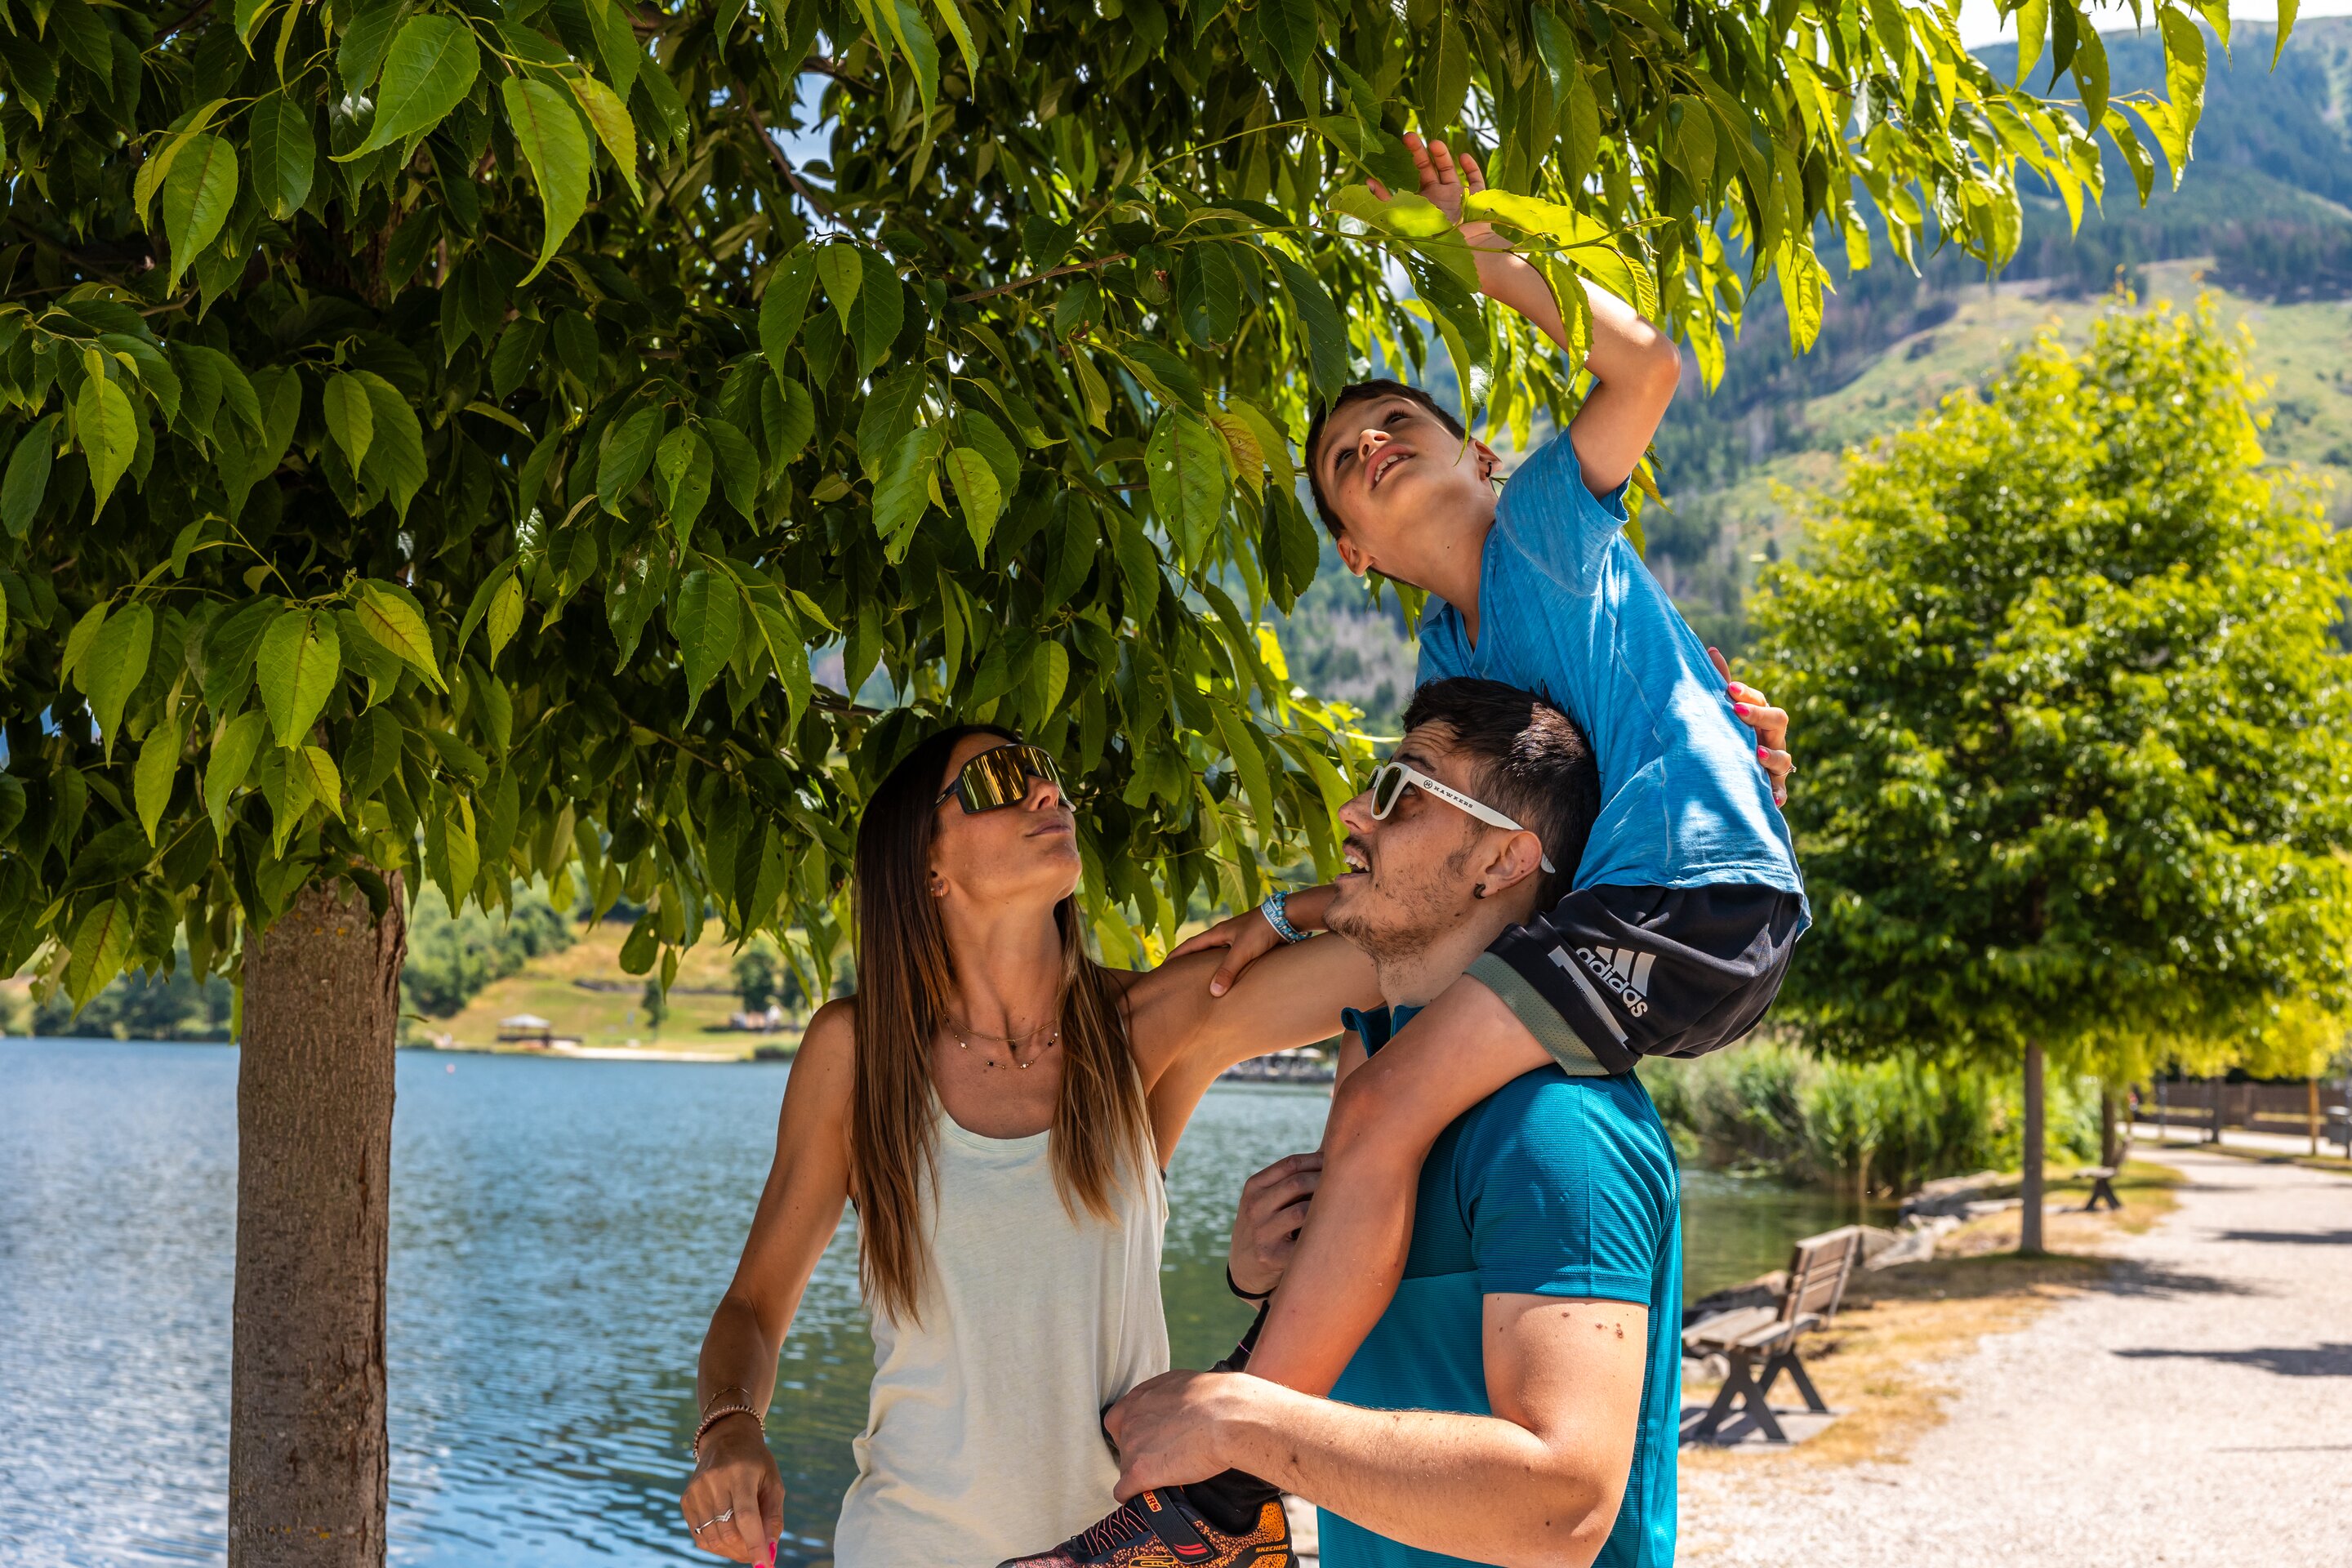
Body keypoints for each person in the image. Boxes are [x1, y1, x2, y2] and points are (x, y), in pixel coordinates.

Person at [1010, 134, 1802, 1566]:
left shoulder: (1549, 526)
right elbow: (1462, 850)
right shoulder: (1462, 659)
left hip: (1686, 902)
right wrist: (1279, 906)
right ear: (1354, 554)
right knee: (1371, 1067)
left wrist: (1464, 240)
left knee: (1378, 1113)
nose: (1367, 442)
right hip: (1627, 904)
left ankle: (1221, 1496)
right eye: (1339, 463)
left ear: (1480, 455)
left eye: (1395, 422)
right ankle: (1240, 1483)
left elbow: (1648, 374)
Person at [677, 727, 1380, 1568]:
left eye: (1046, 774)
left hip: (1124, 1550)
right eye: (996, 780)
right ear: (926, 866)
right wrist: (728, 1429)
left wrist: (1284, 913)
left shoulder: (1144, 1029)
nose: (1046, 794)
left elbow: (1402, 958)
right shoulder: (859, 1056)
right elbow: (753, 1308)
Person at [1109, 678, 1680, 1568]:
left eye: (1403, 794)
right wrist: (1269, 1283)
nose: (1352, 811)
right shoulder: (1381, 1078)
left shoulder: (1558, 1129)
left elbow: (1564, 1506)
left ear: (1503, 863)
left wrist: (1240, 1424)